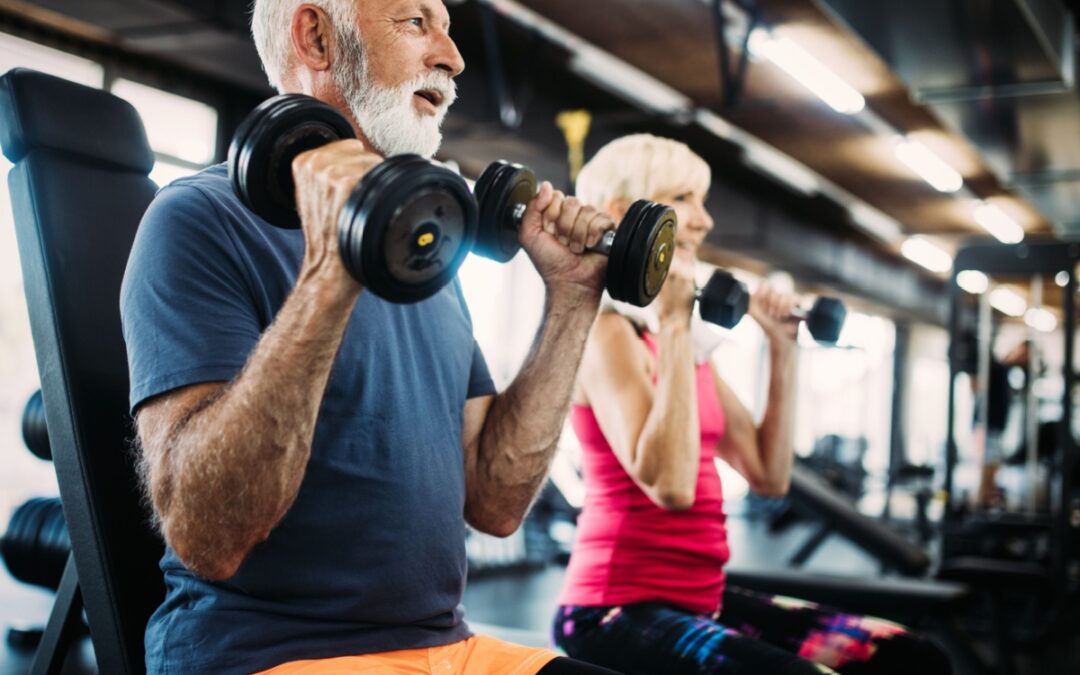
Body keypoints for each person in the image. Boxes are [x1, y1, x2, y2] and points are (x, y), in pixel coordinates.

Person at [120, 1, 622, 673]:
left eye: (446, 26)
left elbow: (496, 502)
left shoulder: (426, 255)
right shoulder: (196, 220)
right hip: (271, 655)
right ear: (318, 37)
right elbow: (206, 536)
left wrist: (571, 300)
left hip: (450, 648)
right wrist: (330, 274)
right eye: (415, 21)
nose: (452, 55)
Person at [552, 134, 952, 675]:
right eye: (685, 198)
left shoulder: (685, 351)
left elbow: (768, 475)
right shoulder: (607, 334)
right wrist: (673, 322)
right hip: (614, 610)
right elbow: (669, 486)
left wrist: (783, 348)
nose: (704, 220)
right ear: (628, 213)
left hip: (702, 598)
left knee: (907, 656)